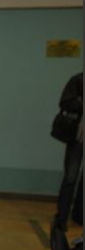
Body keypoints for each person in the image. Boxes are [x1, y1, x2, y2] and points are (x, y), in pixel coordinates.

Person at [54, 72, 83, 230]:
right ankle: (61, 218)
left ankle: (79, 215)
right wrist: (80, 101)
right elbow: (65, 103)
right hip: (77, 137)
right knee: (71, 177)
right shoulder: (78, 79)